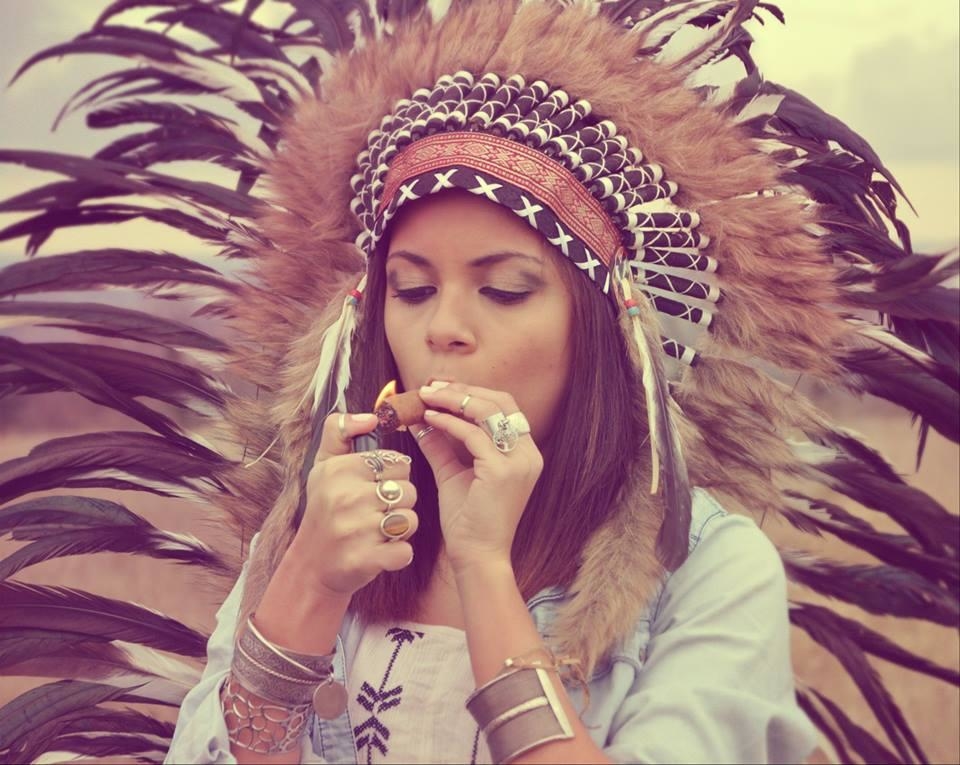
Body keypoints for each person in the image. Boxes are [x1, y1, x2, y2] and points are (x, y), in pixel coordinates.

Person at [1, 1, 956, 764]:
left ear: (603, 334)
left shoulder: (708, 568)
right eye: (410, 289)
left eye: (503, 290)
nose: (442, 329)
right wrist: (303, 584)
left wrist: (485, 567)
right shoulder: (314, 532)